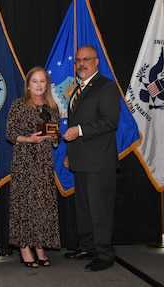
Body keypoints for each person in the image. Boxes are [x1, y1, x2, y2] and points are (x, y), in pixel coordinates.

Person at [62, 45, 120, 271]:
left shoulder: (106, 87)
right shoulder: (79, 89)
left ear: (97, 62)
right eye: (77, 60)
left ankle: (105, 254)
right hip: (81, 160)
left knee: (100, 210)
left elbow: (109, 122)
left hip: (99, 162)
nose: (81, 64)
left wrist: (80, 130)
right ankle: (88, 247)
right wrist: (69, 154)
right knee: (84, 209)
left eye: (86, 59)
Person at [6, 66, 61, 268]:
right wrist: (29, 139)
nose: (39, 85)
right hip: (24, 161)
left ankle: (40, 246)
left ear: (47, 85)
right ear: (28, 85)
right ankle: (24, 247)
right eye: (35, 81)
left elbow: (57, 136)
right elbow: (10, 134)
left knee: (43, 206)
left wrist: (55, 137)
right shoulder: (18, 105)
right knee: (25, 205)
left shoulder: (52, 107)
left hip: (45, 162)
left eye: (42, 81)